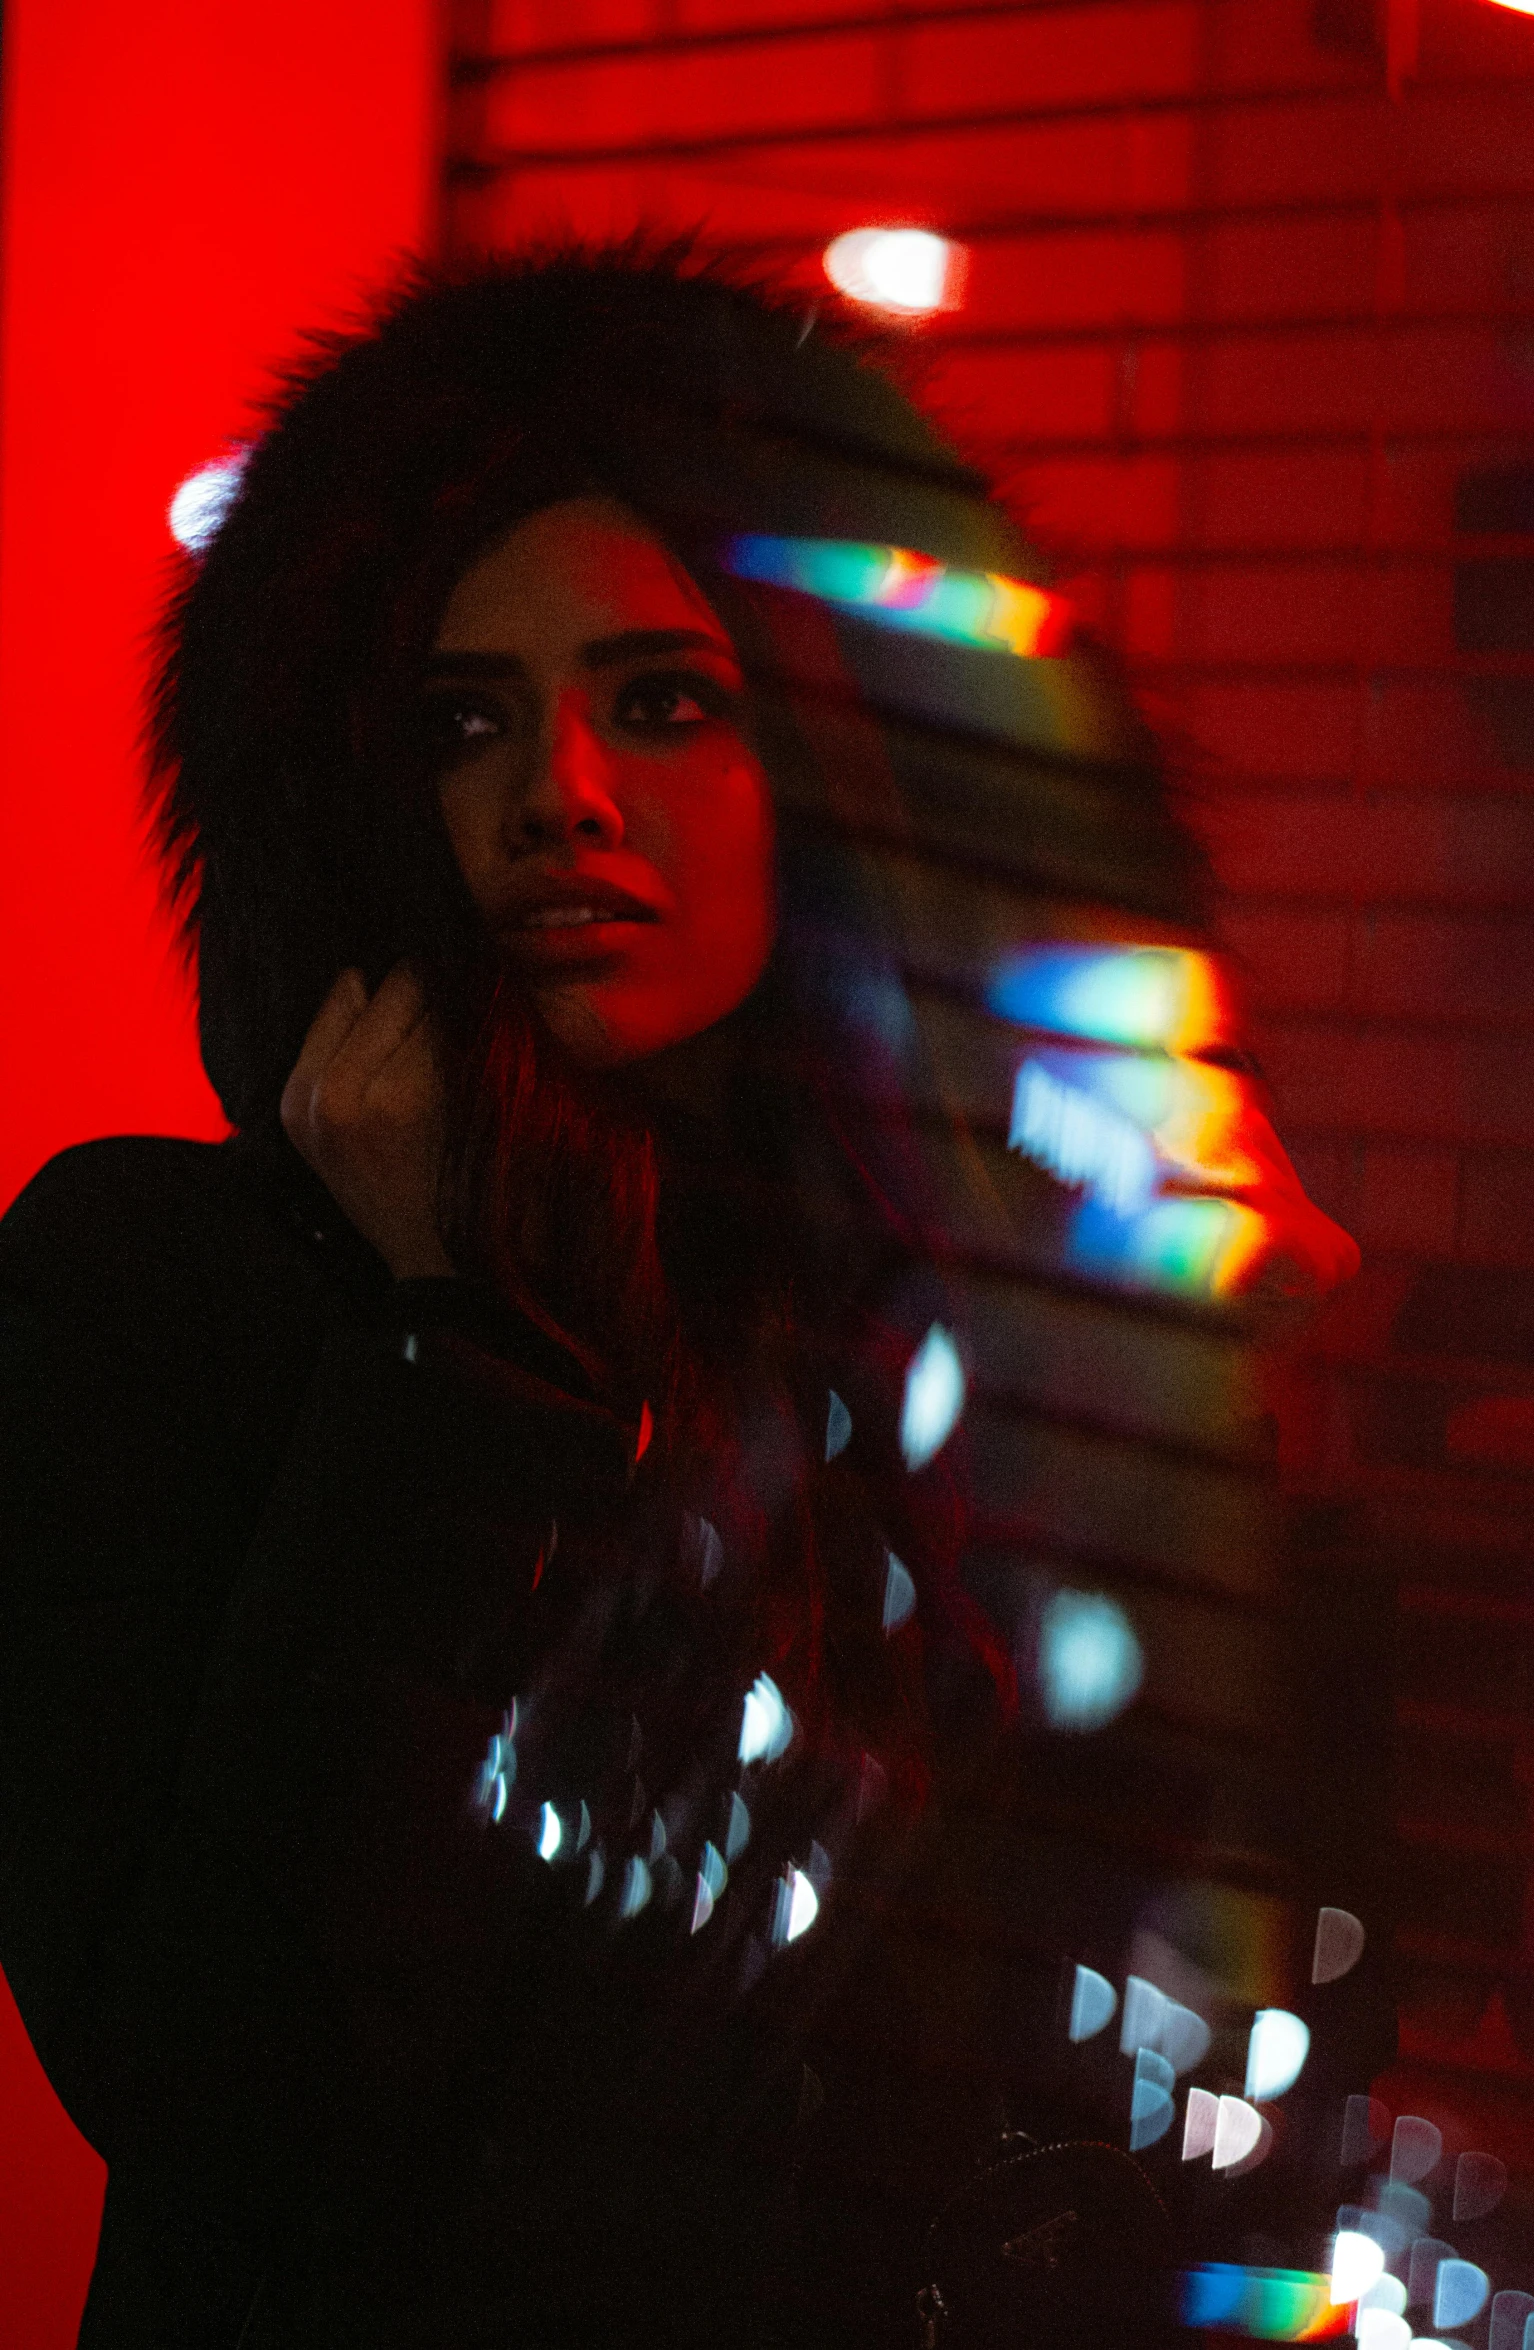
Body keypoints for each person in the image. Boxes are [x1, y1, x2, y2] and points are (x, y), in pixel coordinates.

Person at [0, 243, 1355, 2350]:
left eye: (664, 697)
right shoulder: (168, 1288)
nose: (567, 792)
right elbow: (225, 2089)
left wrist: (1227, 1419)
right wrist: (450, 1356)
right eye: (468, 718)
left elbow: (1227, 2055)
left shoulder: (924, 1327)